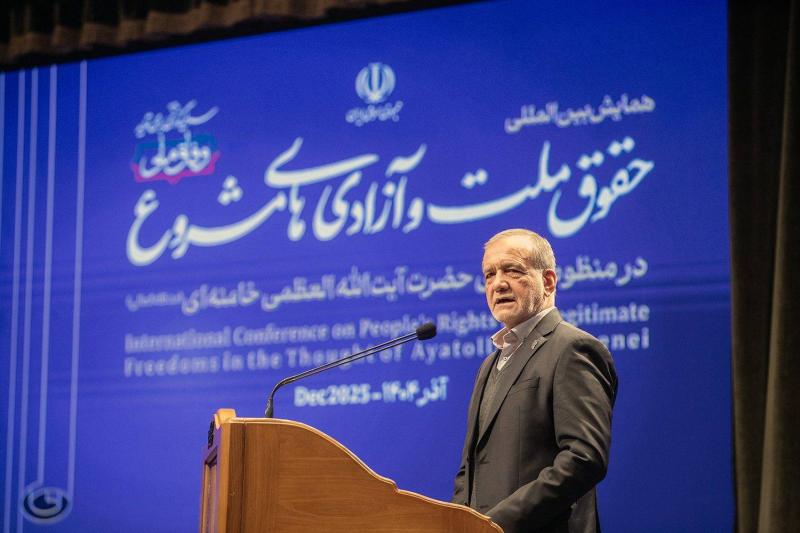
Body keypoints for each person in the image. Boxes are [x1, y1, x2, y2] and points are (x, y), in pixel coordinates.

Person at [452, 229, 617, 533]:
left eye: (512, 270)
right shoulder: (489, 364)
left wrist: (497, 524)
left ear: (548, 281)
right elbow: (469, 469)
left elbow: (584, 458)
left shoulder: (572, 348)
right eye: (489, 275)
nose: (498, 283)